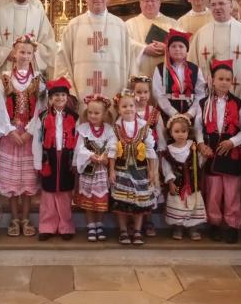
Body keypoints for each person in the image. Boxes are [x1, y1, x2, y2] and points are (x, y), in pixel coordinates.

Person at [54, 0, 141, 106]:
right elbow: (62, 62)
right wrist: (68, 92)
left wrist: (129, 93)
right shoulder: (74, 26)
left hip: (115, 96)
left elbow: (130, 60)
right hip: (81, 96)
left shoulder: (120, 25)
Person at [195, 61, 241, 243]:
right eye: (220, 79)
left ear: (232, 82)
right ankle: (214, 224)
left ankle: (232, 225)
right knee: (213, 192)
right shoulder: (203, 103)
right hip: (211, 153)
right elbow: (197, 127)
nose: (224, 82)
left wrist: (232, 142)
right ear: (212, 80)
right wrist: (200, 144)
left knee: (231, 193)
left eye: (228, 79)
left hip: (231, 155)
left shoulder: (238, 104)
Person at [0, 35, 45, 238]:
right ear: (14, 53)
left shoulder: (38, 80)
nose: (25, 56)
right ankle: (14, 218)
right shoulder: (5, 78)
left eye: (28, 53)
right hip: (11, 135)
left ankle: (26, 218)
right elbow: (0, 106)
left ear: (33, 55)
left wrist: (30, 131)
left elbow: (41, 108)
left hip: (30, 136)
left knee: (28, 180)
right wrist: (10, 130)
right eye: (21, 52)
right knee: (12, 180)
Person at [28, 77, 79, 240]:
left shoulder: (74, 117)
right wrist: (38, 161)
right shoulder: (42, 117)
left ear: (67, 97)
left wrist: (76, 161)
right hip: (48, 158)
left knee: (65, 193)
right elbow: (37, 140)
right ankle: (47, 227)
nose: (60, 98)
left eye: (63, 95)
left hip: (66, 158)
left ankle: (66, 226)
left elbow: (79, 141)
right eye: (56, 95)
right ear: (50, 98)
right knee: (48, 193)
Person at [108, 89, 158, 246]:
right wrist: (111, 170)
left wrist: (152, 170)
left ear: (136, 107)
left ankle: (137, 230)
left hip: (140, 171)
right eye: (124, 106)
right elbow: (112, 150)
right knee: (121, 202)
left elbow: (150, 150)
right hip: (121, 170)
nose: (128, 109)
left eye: (131, 106)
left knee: (139, 202)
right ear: (118, 109)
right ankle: (123, 230)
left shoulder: (144, 127)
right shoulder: (115, 128)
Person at [0, 0, 56, 83]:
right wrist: (7, 53)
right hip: (7, 66)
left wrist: (30, 51)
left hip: (32, 67)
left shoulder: (38, 14)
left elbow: (48, 43)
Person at [191, 0, 241, 98]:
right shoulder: (201, 33)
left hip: (238, 96)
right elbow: (192, 64)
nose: (217, 7)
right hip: (207, 96)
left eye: (221, 3)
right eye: (213, 5)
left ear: (231, 6)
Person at [75, 94, 115, 242]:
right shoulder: (83, 129)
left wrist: (106, 156)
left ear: (104, 114)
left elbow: (113, 145)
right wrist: (90, 155)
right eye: (90, 112)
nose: (93, 115)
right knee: (88, 199)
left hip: (102, 171)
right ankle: (91, 225)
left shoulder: (109, 129)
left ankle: (100, 224)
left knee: (100, 198)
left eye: (97, 113)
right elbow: (79, 148)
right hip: (88, 169)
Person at [160, 114, 206, 240]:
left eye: (184, 131)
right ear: (170, 133)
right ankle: (178, 228)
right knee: (178, 206)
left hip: (192, 184)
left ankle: (193, 229)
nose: (180, 134)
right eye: (177, 131)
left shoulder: (193, 147)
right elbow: (166, 168)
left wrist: (204, 156)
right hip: (177, 185)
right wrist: (170, 182)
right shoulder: (168, 150)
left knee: (193, 206)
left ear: (188, 132)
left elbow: (199, 163)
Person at [131, 75, 165, 237]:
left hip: (150, 158)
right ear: (133, 93)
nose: (142, 95)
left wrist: (161, 151)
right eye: (139, 92)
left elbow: (161, 134)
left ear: (149, 94)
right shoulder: (128, 109)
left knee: (148, 186)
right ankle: (133, 221)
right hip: (131, 158)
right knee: (134, 188)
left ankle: (148, 220)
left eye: (145, 92)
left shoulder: (154, 113)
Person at [152, 29, 206, 124]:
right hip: (167, 114)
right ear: (168, 49)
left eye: (181, 46)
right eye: (173, 46)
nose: (177, 49)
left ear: (187, 50)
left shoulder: (195, 69)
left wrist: (190, 113)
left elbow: (201, 93)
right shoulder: (160, 69)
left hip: (190, 114)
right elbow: (158, 94)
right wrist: (173, 113)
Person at [125, 0, 177, 81]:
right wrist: (144, 49)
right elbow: (124, 43)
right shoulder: (129, 24)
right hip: (140, 77)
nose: (149, 4)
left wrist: (167, 48)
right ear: (140, 4)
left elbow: (182, 45)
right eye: (146, 1)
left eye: (153, 0)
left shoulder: (173, 23)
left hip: (166, 76)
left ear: (159, 3)